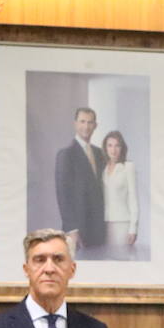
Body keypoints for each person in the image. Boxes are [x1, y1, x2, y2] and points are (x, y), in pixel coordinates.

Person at [54, 107, 106, 251]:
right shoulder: (66, 155)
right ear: (75, 124)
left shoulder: (100, 153)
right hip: (78, 230)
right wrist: (72, 230)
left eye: (90, 122)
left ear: (95, 126)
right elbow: (63, 195)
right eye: (82, 121)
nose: (86, 126)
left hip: (99, 228)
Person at [100, 130, 139, 260]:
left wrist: (133, 228)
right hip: (104, 223)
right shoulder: (103, 168)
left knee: (122, 260)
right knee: (107, 261)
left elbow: (133, 199)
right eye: (110, 145)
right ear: (105, 148)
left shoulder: (128, 167)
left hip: (122, 223)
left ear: (122, 148)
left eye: (117, 145)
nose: (113, 150)